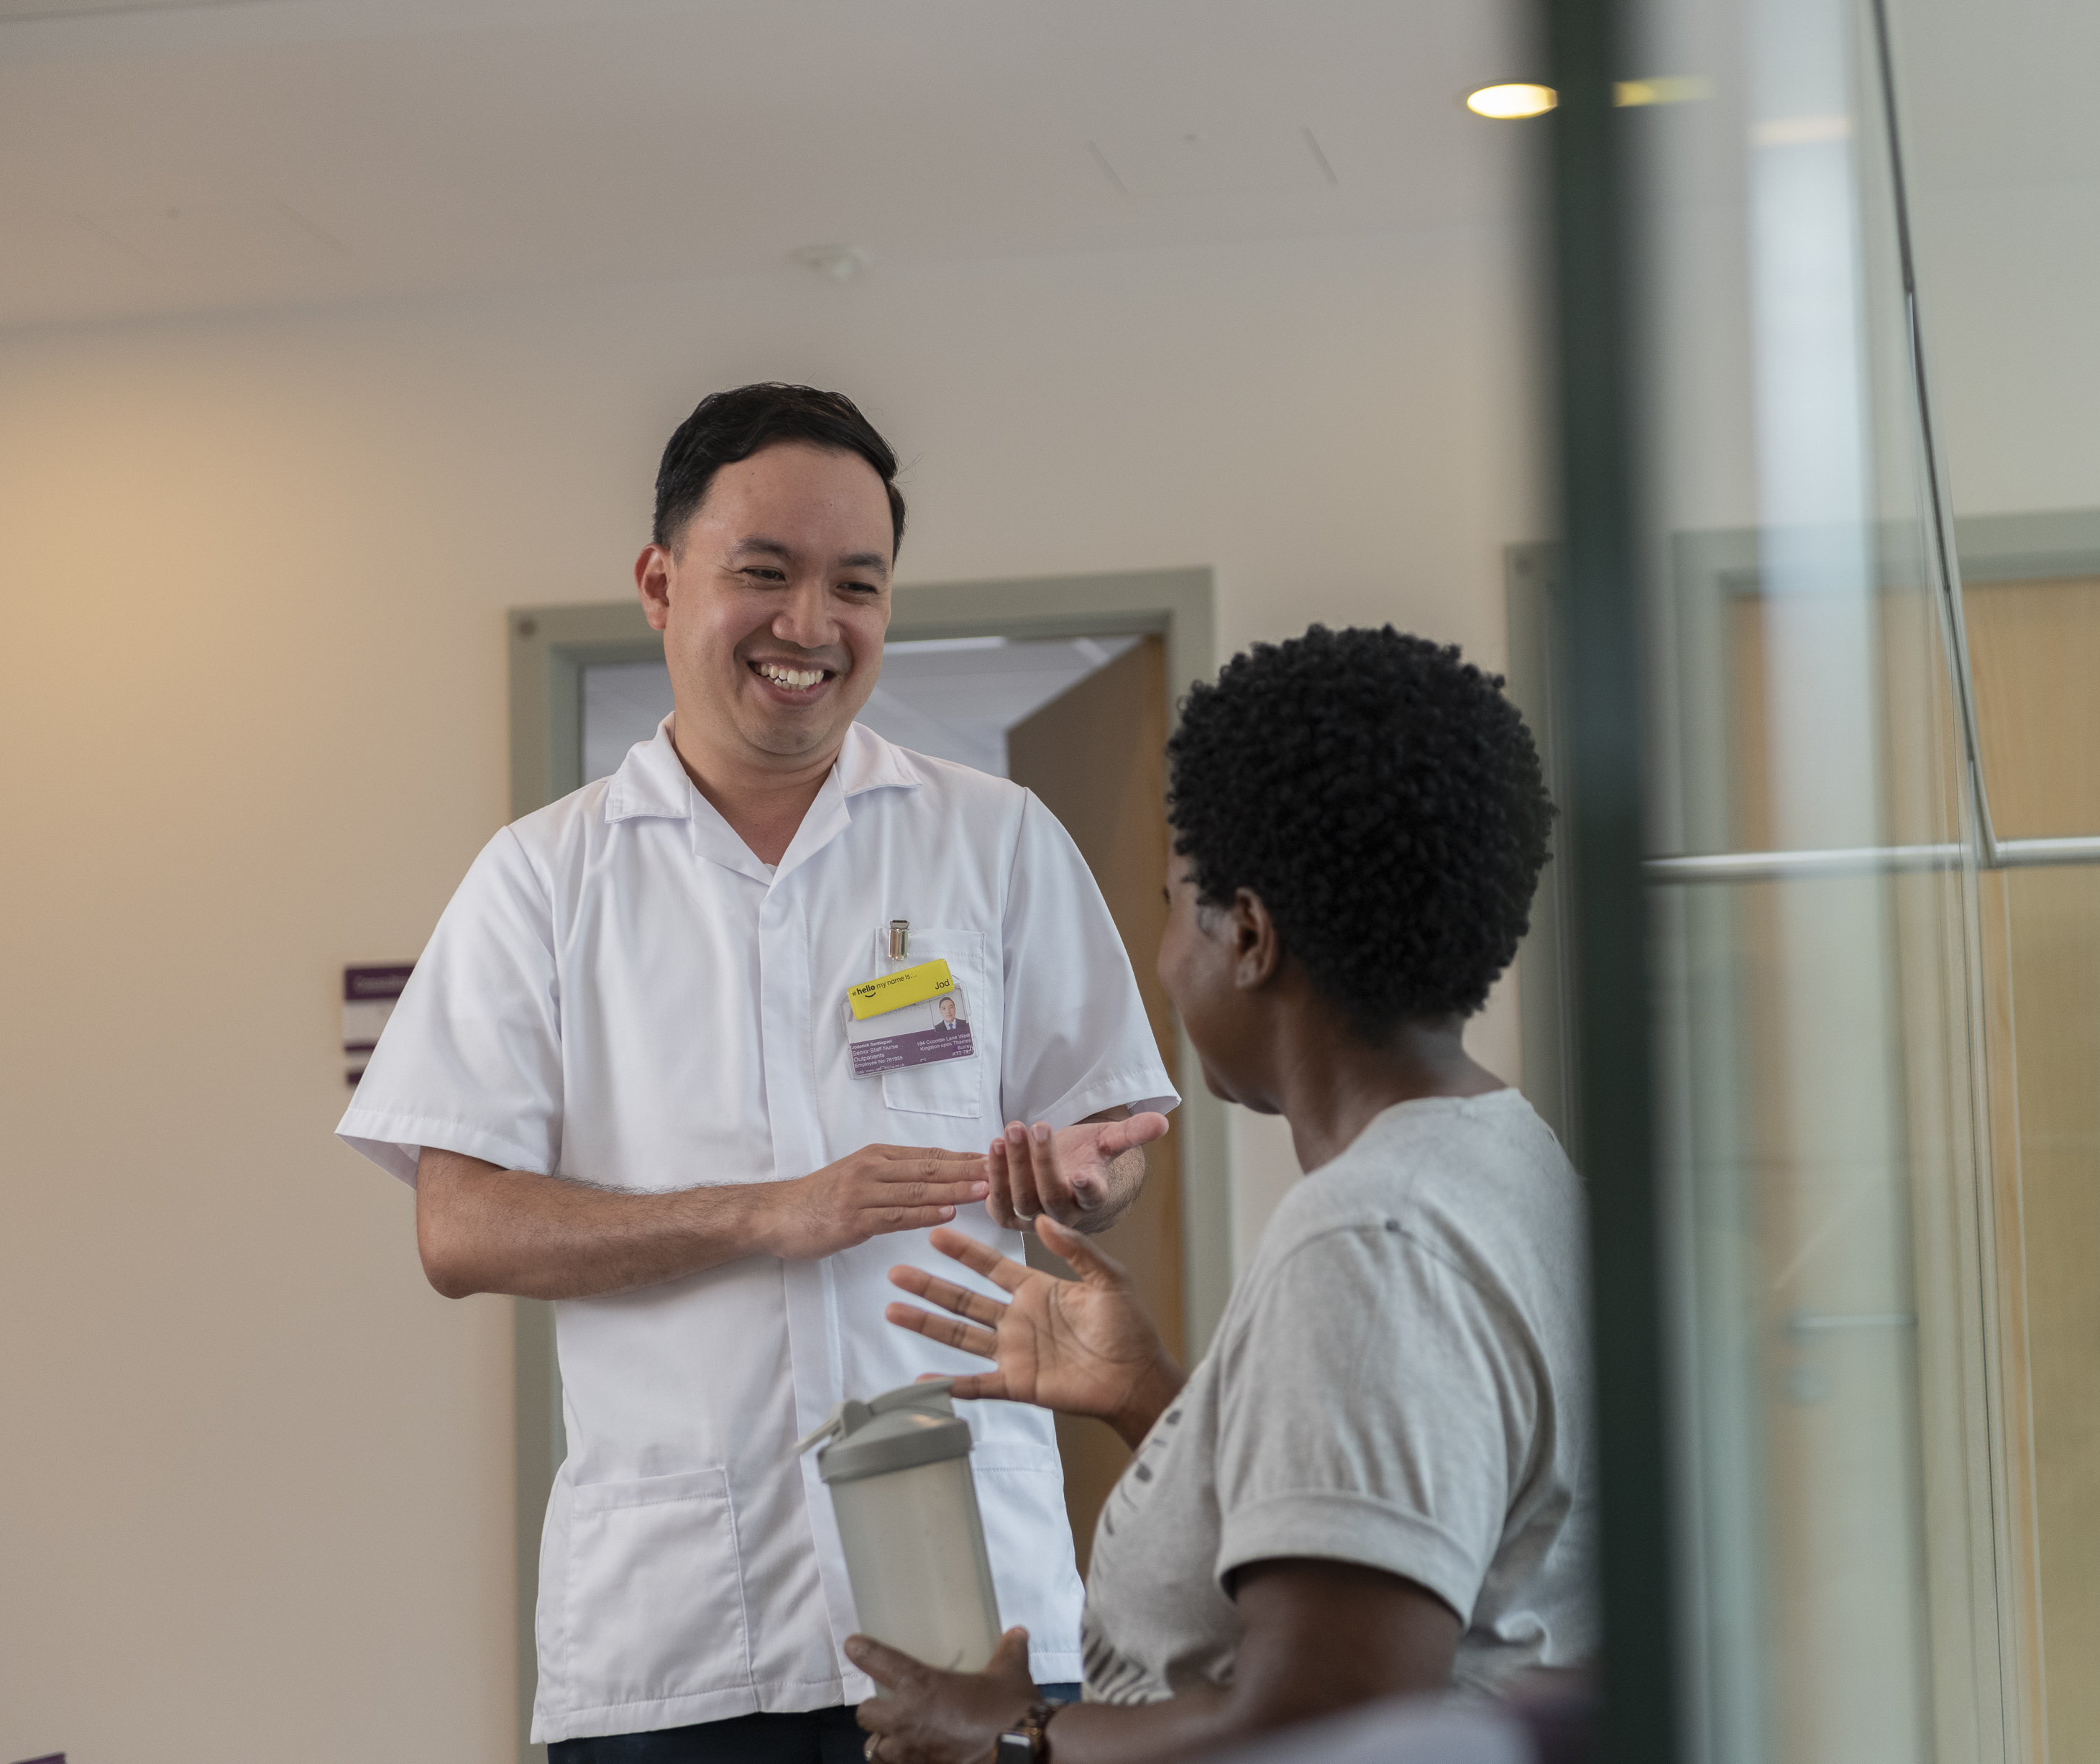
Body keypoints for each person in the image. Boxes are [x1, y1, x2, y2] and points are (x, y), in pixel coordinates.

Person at [337, 384, 1178, 1758]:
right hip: (674, 1647)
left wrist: (1089, 1185)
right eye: (764, 574)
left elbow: (1115, 1135)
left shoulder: (998, 842)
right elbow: (459, 1223)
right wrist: (765, 1210)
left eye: (858, 583)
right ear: (660, 584)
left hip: (979, 1625)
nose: (811, 626)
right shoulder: (543, 880)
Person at [849, 626, 1595, 1764]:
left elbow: (1326, 1719)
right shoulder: (1508, 1157)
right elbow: (1385, 1524)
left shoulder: (1370, 1237)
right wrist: (1154, 1398)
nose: (1159, 957)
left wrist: (1021, 1734)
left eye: (1170, 901)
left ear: (1248, 934)